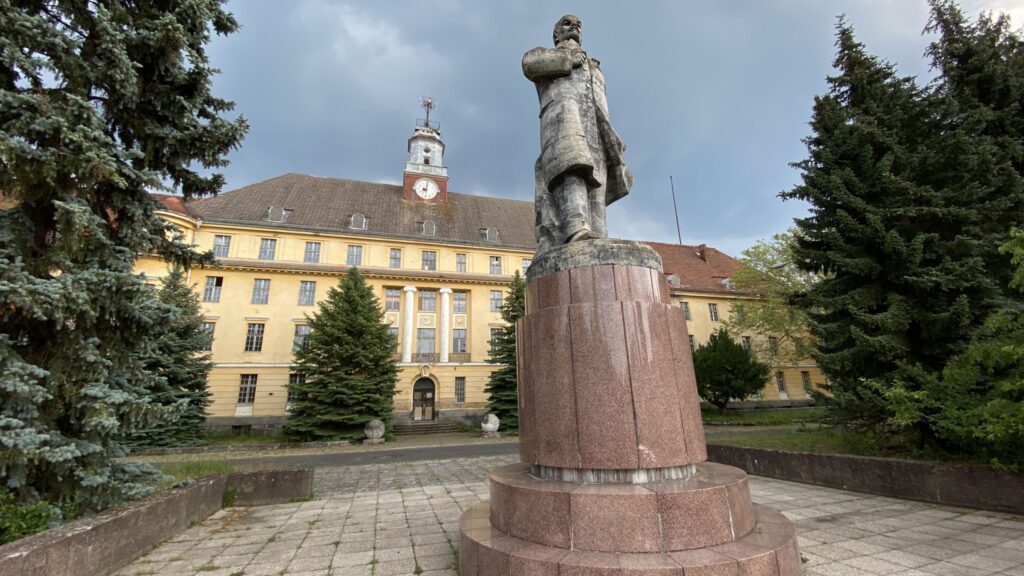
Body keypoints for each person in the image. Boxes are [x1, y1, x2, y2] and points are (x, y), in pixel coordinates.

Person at [523, 14, 633, 253]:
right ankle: (575, 229)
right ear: (556, 35)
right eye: (567, 23)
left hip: (596, 132)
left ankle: (598, 236)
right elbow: (529, 64)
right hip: (564, 121)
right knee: (571, 169)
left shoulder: (594, 65)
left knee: (597, 183)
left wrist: (612, 137)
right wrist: (567, 58)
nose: (575, 27)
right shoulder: (548, 55)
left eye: (579, 25)